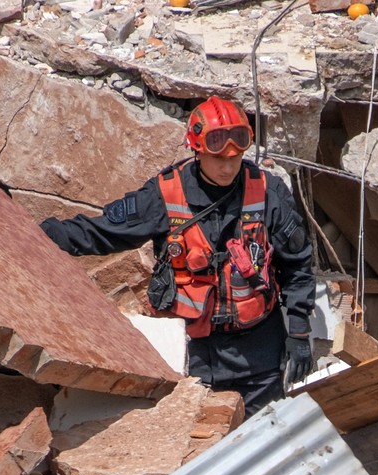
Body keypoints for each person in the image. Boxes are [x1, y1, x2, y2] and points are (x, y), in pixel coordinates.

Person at [40, 96, 315, 417]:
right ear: (197, 150)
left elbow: (297, 265)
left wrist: (298, 333)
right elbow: (102, 232)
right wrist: (40, 234)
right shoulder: (165, 195)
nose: (228, 166)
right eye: (218, 158)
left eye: (235, 157)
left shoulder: (269, 192)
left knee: (260, 448)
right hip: (192, 355)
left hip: (261, 356)